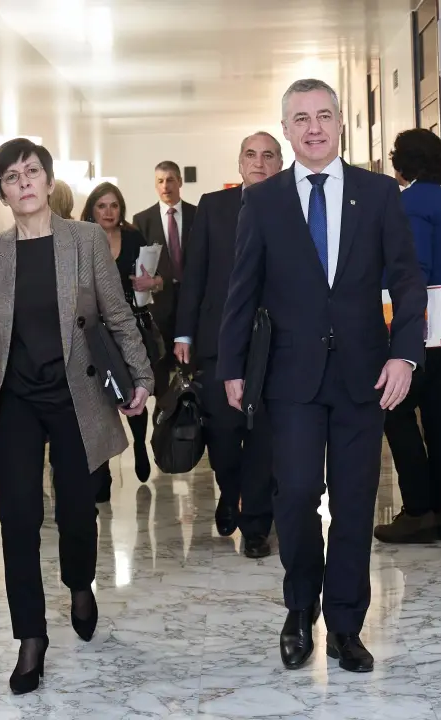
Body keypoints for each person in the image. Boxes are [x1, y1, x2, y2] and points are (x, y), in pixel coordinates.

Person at [218, 79, 426, 673]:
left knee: (356, 502)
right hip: (291, 379)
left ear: (340, 124)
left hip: (365, 375)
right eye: (301, 118)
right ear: (286, 130)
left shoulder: (378, 193)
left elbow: (407, 279)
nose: (314, 127)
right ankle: (299, 607)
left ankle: (345, 625)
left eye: (324, 116)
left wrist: (405, 355)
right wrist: (232, 365)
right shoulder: (263, 201)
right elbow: (242, 288)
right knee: (296, 496)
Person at [0, 138, 153, 695]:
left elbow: (117, 314)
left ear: (48, 179)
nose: (25, 183)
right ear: (3, 194)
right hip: (16, 400)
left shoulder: (84, 240)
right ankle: (31, 639)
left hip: (75, 396)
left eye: (32, 172)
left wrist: (141, 378)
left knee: (78, 512)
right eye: (12, 178)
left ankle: (80, 584)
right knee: (18, 518)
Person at [174, 132, 283, 557]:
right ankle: (230, 490)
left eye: (268, 155)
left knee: (263, 438)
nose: (259, 162)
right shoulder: (214, 206)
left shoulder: (293, 205)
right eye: (251, 155)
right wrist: (183, 332)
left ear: (280, 164)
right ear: (239, 163)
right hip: (219, 340)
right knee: (222, 431)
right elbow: (194, 272)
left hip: (275, 343)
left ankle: (256, 524)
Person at [374, 128, 441, 544]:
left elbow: (414, 271)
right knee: (439, 416)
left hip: (427, 329)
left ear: (402, 162)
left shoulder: (411, 203)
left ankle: (417, 511)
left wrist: (400, 332)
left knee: (394, 410)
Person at [81, 181, 155, 488]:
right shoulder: (81, 238)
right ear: (91, 210)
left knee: (133, 387)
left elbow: (154, 279)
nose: (108, 211)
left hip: (129, 324)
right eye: (102, 206)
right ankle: (102, 470)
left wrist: (152, 283)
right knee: (97, 397)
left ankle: (139, 445)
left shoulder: (133, 237)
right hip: (93, 330)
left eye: (114, 205)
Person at [132, 161, 196, 384]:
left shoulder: (197, 214)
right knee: (161, 371)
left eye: (170, 180)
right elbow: (139, 264)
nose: (165, 186)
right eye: (160, 181)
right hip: (159, 305)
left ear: (180, 181)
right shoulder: (142, 220)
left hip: (192, 302)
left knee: (192, 368)